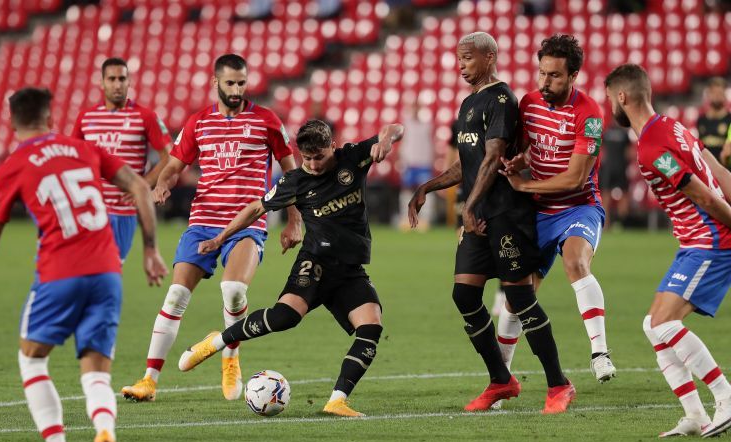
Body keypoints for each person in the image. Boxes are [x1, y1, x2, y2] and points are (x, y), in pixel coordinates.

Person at [0, 87, 167, 442]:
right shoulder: (82, 148)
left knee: (32, 358)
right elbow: (138, 186)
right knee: (97, 373)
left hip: (59, 275)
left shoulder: (11, 166)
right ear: (51, 119)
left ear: (12, 122)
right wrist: (150, 250)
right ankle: (104, 433)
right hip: (107, 272)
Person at [177, 119, 404, 417]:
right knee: (285, 317)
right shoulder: (295, 181)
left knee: (371, 327)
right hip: (316, 263)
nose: (312, 164)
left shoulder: (353, 157)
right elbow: (256, 208)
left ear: (332, 147)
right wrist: (220, 237)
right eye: (306, 158)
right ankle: (216, 341)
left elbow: (394, 127)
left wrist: (385, 141)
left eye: (319, 157)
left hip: (349, 269)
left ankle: (337, 400)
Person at [121, 54, 303, 403]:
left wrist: (294, 220)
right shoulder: (198, 123)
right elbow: (174, 165)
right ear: (215, 82)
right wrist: (163, 184)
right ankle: (148, 380)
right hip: (203, 221)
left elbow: (290, 172)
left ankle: (230, 357)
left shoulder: (266, 121)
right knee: (175, 297)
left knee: (234, 290)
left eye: (241, 83)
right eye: (230, 83)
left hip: (248, 222)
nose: (236, 89)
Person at [408, 32, 574, 414]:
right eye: (458, 59)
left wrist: (470, 205)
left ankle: (559, 385)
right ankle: (502, 380)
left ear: (488, 56)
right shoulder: (469, 103)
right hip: (480, 214)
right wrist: (427, 188)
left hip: (507, 216)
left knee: (518, 298)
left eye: (467, 58)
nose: (461, 65)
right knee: (464, 295)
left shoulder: (502, 99)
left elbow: (494, 156)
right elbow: (467, 163)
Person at [605, 63, 731, 438]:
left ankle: (724, 395)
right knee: (652, 325)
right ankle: (694, 416)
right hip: (694, 242)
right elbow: (716, 169)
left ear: (622, 97)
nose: (609, 105)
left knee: (664, 324)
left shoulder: (650, 147)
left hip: (709, 241)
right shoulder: (673, 126)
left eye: (610, 98)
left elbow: (704, 195)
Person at [497, 34, 616, 383]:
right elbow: (525, 148)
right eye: (542, 73)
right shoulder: (529, 103)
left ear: (574, 76)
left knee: (575, 261)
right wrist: (519, 161)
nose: (545, 82)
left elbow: (576, 179)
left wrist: (525, 184)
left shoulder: (590, 114)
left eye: (555, 76)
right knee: (518, 293)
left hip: (579, 207)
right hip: (538, 213)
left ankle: (600, 353)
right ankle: (500, 377)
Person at [72, 57, 173, 261]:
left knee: (109, 270)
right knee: (79, 270)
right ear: (102, 83)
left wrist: (142, 185)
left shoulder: (145, 116)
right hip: (89, 210)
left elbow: (169, 157)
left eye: (122, 79)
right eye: (111, 79)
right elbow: (72, 158)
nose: (117, 84)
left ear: (129, 82)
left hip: (122, 211)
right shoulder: (86, 117)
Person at [398, 100, 435, 231]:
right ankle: (406, 218)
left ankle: (425, 219)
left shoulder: (427, 125)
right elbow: (402, 144)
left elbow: (432, 143)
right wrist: (401, 160)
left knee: (425, 190)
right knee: (406, 190)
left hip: (424, 162)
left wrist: (432, 159)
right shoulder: (406, 124)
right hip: (409, 162)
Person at [697, 77, 731, 165]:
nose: (717, 96)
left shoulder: (729, 120)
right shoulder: (701, 120)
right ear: (708, 94)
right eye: (714, 92)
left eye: (720, 93)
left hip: (724, 170)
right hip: (706, 170)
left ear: (724, 95)